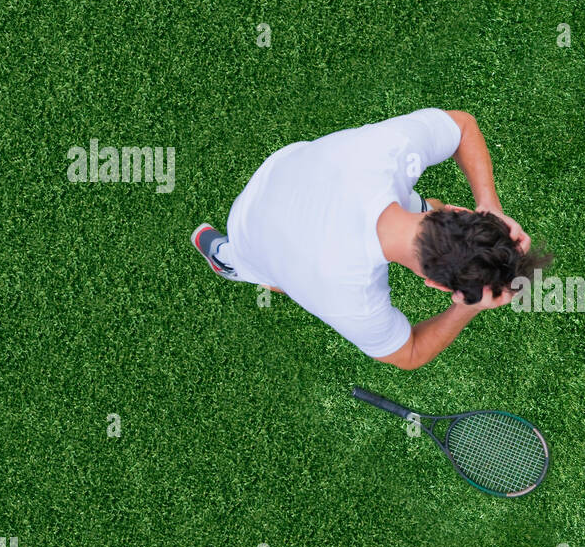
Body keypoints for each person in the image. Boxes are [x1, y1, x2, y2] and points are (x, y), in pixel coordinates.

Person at [191, 108, 547, 369]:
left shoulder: (391, 151)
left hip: (279, 172)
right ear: (432, 284)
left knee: (290, 267)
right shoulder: (353, 301)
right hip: (250, 235)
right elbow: (409, 355)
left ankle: (235, 257)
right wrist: (464, 308)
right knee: (278, 277)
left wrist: (490, 205)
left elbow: (463, 126)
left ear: (456, 210)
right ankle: (229, 259)